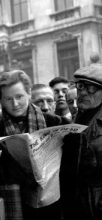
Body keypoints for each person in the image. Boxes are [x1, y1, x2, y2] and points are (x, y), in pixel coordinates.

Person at [0, 70, 69, 220]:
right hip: (13, 206)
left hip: (53, 206)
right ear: (1, 100)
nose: (15, 104)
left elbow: (70, 171)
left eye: (19, 97)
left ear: (29, 93)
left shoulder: (57, 123)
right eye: (8, 99)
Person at [61, 63, 102, 220]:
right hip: (76, 207)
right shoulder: (76, 120)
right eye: (80, 86)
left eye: (91, 88)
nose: (83, 92)